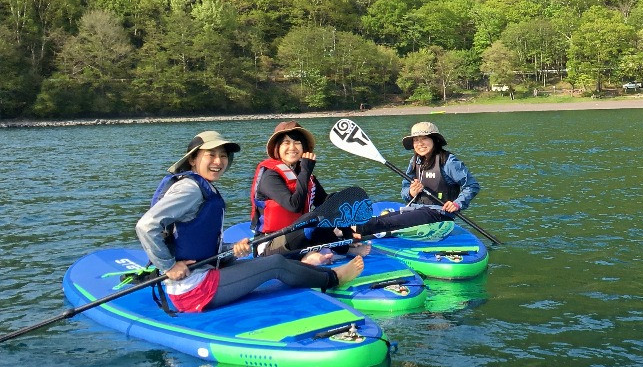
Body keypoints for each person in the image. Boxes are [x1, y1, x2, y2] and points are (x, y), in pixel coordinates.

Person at [135, 130, 363, 313]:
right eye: (210, 155)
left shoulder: (200, 187)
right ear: (193, 159)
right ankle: (333, 278)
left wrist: (231, 250)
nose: (218, 161)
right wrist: (169, 266)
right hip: (195, 288)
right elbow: (146, 226)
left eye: (223, 156)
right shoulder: (191, 188)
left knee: (275, 262)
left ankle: (321, 271)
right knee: (275, 264)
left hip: (204, 272)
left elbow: (194, 241)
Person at [252, 121, 454, 260]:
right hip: (271, 243)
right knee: (313, 219)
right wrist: (306, 170)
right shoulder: (270, 176)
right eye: (286, 143)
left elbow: (328, 203)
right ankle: (322, 254)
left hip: (299, 235)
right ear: (277, 148)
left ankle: (338, 246)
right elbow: (294, 205)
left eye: (297, 142)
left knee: (338, 201)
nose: (292, 147)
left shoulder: (304, 175)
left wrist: (348, 229)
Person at [400, 122, 479, 213]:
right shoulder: (415, 161)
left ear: (435, 140)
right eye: (416, 140)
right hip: (416, 210)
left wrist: (457, 204)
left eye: (424, 138)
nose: (420, 143)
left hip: (438, 213)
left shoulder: (448, 161)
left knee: (388, 221)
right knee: (386, 218)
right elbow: (405, 190)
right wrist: (411, 193)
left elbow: (472, 186)